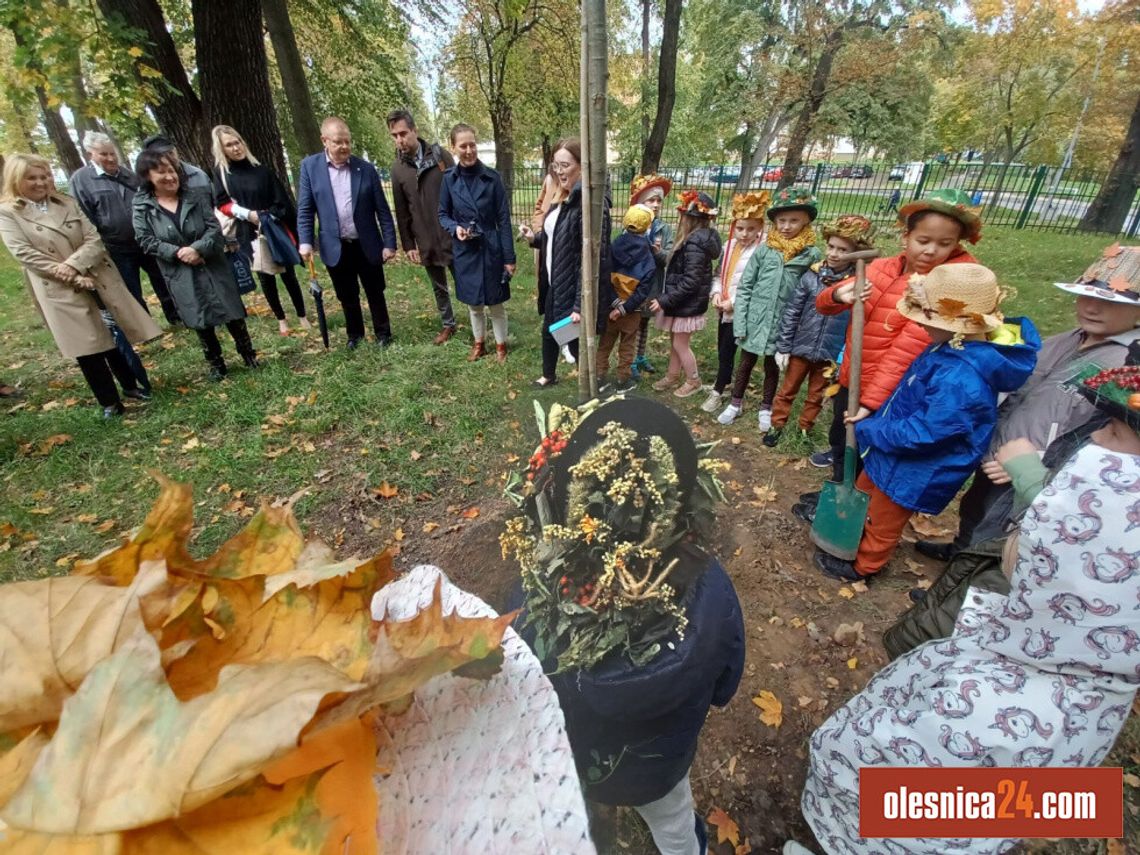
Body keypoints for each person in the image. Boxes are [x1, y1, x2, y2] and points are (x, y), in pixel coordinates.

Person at [792, 365, 1140, 855]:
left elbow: (881, 772)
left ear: (1067, 569)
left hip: (909, 802)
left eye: (1109, 431)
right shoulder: (1095, 671)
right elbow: (1050, 803)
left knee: (905, 827)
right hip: (1025, 753)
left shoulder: (984, 709)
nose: (1093, 439)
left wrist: (837, 753)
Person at [502, 398, 744, 855]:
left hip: (582, 758)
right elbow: (727, 680)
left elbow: (526, 697)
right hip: (661, 768)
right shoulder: (710, 590)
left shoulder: (534, 607)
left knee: (586, 800)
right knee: (672, 822)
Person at [813, 264, 1039, 582]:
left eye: (927, 321)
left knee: (884, 518)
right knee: (865, 495)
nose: (920, 327)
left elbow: (929, 431)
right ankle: (850, 537)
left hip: (915, 466)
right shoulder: (953, 349)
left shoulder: (962, 377)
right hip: (893, 448)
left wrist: (872, 430)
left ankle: (864, 565)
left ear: (961, 328)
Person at [917, 243, 1140, 561]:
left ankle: (968, 581)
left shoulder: (1128, 365)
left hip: (1035, 466)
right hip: (999, 449)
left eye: (1109, 302)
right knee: (975, 507)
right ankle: (960, 552)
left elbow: (1114, 437)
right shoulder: (1066, 339)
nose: (1091, 308)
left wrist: (1038, 460)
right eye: (1086, 296)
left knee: (998, 529)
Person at [793, 187, 982, 519]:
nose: (931, 251)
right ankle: (840, 491)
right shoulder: (880, 267)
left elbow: (907, 348)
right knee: (841, 437)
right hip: (853, 376)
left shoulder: (950, 283)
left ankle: (860, 512)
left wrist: (870, 402)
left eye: (944, 244)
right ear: (906, 235)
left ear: (958, 243)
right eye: (923, 240)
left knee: (870, 451)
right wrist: (840, 295)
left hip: (895, 393)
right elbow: (823, 303)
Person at [0, 153, 160, 418]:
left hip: (94, 274)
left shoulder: (65, 202)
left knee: (111, 332)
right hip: (57, 286)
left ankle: (131, 385)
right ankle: (109, 401)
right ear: (17, 179)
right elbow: (25, 254)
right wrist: (71, 276)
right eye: (32, 178)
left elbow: (93, 238)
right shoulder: (8, 213)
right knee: (86, 344)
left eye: (45, 176)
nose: (41, 182)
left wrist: (74, 265)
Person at [133, 148, 257, 381]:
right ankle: (216, 364)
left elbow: (213, 228)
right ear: (147, 176)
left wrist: (197, 248)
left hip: (211, 263)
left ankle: (248, 355)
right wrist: (178, 252)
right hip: (179, 270)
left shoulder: (195, 196)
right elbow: (145, 240)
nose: (170, 176)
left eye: (172, 170)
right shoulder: (142, 207)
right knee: (199, 315)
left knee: (231, 309)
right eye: (161, 172)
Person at [764, 215, 875, 447]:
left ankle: (805, 427)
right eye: (831, 246)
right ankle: (777, 424)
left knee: (816, 394)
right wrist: (783, 346)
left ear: (855, 252)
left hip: (829, 351)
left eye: (843, 249)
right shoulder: (810, 276)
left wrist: (843, 354)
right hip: (801, 346)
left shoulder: (857, 283)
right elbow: (792, 312)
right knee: (788, 389)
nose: (834, 253)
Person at [718, 187, 821, 428]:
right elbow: (745, 287)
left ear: (806, 220)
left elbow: (812, 292)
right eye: (781, 221)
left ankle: (766, 406)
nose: (786, 226)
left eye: (793, 220)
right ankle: (735, 402)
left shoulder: (811, 254)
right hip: (755, 319)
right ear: (774, 222)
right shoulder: (765, 250)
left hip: (783, 322)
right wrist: (741, 322)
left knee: (772, 365)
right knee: (745, 362)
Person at [297, 116, 398, 349]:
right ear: (325, 141)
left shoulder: (366, 169)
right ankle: (355, 335)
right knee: (347, 294)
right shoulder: (310, 168)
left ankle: (383, 333)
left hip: (366, 243)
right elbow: (305, 208)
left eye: (347, 142)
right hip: (335, 245)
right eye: (338, 142)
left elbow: (382, 210)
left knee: (375, 290)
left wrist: (389, 243)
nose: (344, 147)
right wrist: (305, 242)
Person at [518, 138, 611, 388]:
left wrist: (580, 303)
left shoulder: (589, 206)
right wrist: (534, 238)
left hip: (573, 285)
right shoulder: (564, 197)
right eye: (555, 165)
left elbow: (591, 260)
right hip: (554, 280)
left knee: (576, 338)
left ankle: (592, 385)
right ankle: (549, 374)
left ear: (583, 166)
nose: (559, 171)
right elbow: (557, 239)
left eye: (565, 165)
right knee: (549, 329)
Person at [69, 131, 180, 325]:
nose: (111, 158)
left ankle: (175, 316)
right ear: (90, 155)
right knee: (130, 287)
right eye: (104, 154)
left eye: (112, 153)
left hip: (145, 241)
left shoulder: (128, 175)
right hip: (116, 246)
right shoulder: (81, 180)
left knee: (162, 280)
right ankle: (144, 325)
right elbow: (84, 215)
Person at [210, 125, 309, 336]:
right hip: (249, 231)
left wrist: (267, 215)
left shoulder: (262, 171)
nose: (236, 148)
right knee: (266, 274)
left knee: (287, 273)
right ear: (222, 149)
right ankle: (281, 319)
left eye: (237, 142)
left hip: (273, 227)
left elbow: (282, 200)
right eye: (229, 145)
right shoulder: (223, 175)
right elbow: (222, 203)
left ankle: (302, 315)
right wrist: (247, 214)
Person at [437, 123, 515, 363]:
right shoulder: (449, 180)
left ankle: (501, 346)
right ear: (454, 148)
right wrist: (455, 228)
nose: (469, 150)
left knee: (496, 303)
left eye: (472, 144)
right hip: (466, 250)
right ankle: (479, 343)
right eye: (463, 146)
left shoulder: (492, 178)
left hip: (491, 247)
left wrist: (509, 258)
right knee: (473, 304)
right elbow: (442, 214)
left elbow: (503, 219)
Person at [387, 109, 459, 345]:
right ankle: (448, 324)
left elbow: (458, 192)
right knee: (439, 286)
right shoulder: (397, 169)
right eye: (394, 135)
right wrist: (408, 244)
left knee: (464, 280)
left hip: (451, 233)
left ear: (414, 130)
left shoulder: (440, 157)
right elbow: (402, 210)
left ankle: (477, 318)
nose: (400, 140)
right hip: (425, 238)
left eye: (403, 133)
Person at [650, 190, 722, 398]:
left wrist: (664, 300)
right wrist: (660, 255)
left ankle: (693, 380)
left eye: (683, 215)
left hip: (687, 303)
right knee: (675, 341)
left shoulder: (695, 243)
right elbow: (680, 268)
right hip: (682, 302)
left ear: (689, 219)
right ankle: (673, 375)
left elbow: (691, 281)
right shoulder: (694, 240)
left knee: (681, 344)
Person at [701, 191, 768, 414]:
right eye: (740, 228)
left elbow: (759, 285)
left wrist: (736, 303)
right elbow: (719, 275)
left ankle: (719, 392)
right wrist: (716, 294)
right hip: (724, 308)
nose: (744, 233)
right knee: (723, 349)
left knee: (731, 351)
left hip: (743, 312)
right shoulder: (729, 245)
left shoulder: (763, 250)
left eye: (751, 229)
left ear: (760, 227)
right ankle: (724, 382)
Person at [597, 203, 656, 392]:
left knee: (605, 343)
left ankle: (599, 376)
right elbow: (643, 291)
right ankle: (623, 379)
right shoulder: (648, 257)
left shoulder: (613, 246)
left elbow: (605, 277)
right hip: (632, 310)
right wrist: (624, 309)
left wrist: (615, 305)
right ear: (647, 227)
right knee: (628, 345)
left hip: (609, 306)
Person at [628, 174, 675, 379]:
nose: (655, 205)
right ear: (640, 203)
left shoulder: (664, 229)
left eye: (658, 201)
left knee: (644, 320)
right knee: (632, 322)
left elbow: (670, 258)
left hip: (653, 282)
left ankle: (640, 356)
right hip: (634, 283)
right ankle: (628, 360)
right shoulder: (631, 224)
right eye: (651, 200)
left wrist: (658, 253)